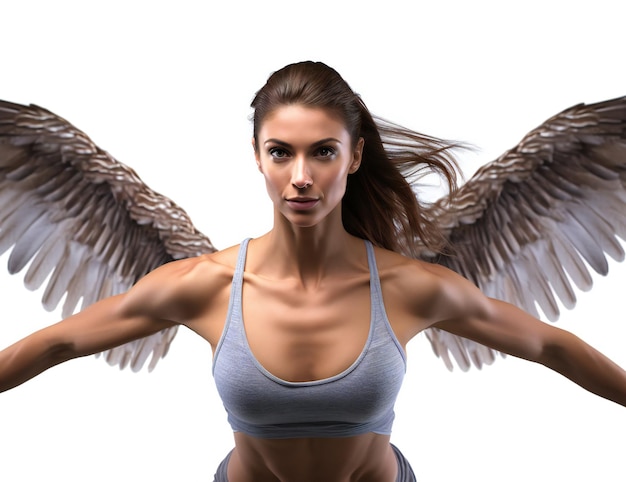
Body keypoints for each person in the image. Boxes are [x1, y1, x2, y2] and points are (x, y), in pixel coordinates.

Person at [1, 60, 626, 482]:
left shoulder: (411, 286)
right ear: (258, 158)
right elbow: (57, 342)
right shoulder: (202, 286)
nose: (301, 176)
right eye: (281, 152)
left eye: (322, 151)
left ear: (354, 156)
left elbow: (549, 345)